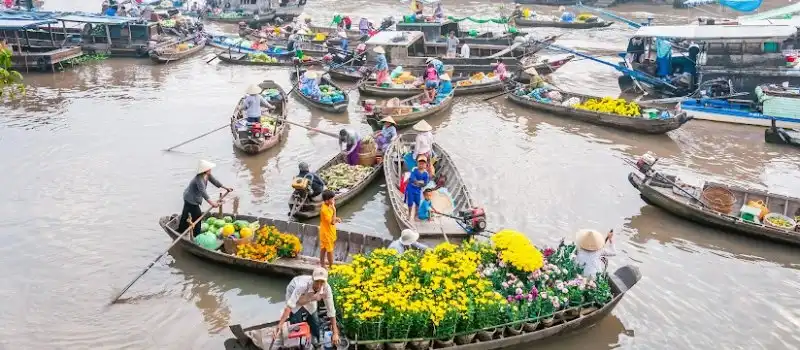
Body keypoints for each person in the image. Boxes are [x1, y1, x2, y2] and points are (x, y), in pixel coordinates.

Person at [276, 268, 340, 346]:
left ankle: (316, 341)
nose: (319, 285)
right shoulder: (302, 285)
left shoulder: (327, 289)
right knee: (296, 322)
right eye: (316, 281)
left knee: (314, 320)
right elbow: (290, 306)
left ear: (325, 281)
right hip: (295, 291)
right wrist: (280, 325)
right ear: (312, 279)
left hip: (311, 296)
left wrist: (335, 333)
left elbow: (331, 310)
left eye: (322, 282)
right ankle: (299, 343)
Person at [178, 160, 233, 238]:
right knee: (197, 215)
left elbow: (215, 182)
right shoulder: (199, 178)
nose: (210, 170)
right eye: (209, 168)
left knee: (186, 213)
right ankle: (196, 235)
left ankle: (181, 230)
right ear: (205, 170)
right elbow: (203, 192)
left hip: (191, 196)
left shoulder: (208, 175)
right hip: (191, 198)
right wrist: (212, 203)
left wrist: (226, 188)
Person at [404, 155, 430, 221]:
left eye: (423, 163)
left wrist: (420, 183)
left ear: (425, 165)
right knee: (410, 202)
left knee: (417, 202)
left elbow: (425, 183)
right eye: (420, 163)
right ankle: (409, 214)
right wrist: (419, 182)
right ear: (417, 163)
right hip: (411, 188)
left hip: (418, 189)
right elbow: (412, 178)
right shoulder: (414, 169)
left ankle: (416, 216)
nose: (421, 165)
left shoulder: (426, 174)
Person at [319, 190, 340, 269]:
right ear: (327, 201)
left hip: (327, 231)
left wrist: (336, 218)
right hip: (327, 233)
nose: (334, 200)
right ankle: (331, 266)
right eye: (332, 199)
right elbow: (332, 222)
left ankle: (322, 264)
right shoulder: (325, 210)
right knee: (330, 251)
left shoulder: (327, 205)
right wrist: (335, 211)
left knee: (323, 248)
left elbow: (332, 219)